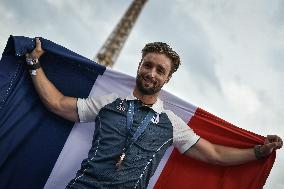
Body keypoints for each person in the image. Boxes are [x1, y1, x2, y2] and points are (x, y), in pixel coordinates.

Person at [26, 38, 283, 189]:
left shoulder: (172, 123)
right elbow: (57, 103)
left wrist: (258, 152)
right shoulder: (108, 103)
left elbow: (214, 154)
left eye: (160, 70)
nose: (152, 73)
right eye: (148, 65)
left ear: (167, 78)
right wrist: (34, 63)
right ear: (139, 66)